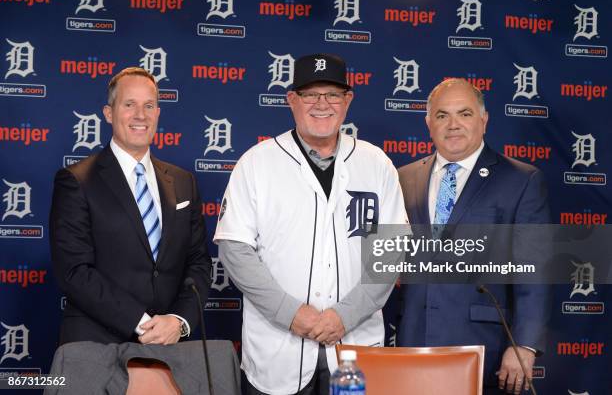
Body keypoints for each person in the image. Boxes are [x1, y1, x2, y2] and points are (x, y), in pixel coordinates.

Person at [214, 53, 407, 395]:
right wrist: (290, 313)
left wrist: (344, 316)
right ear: (292, 100)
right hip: (277, 346)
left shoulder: (376, 163)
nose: (322, 104)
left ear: (347, 100)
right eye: (310, 94)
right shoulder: (257, 162)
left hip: (356, 344)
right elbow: (235, 249)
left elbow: (391, 252)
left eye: (332, 94)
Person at [397, 78, 550, 394]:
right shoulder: (403, 177)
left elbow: (534, 270)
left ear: (483, 120)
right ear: (428, 123)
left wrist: (524, 344)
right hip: (412, 344)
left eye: (464, 114)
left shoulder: (521, 180)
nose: (453, 125)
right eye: (442, 115)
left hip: (484, 349)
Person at [50, 67, 211, 346]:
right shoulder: (76, 181)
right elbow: (75, 271)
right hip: (98, 345)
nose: (141, 115)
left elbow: (198, 262)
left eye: (149, 105)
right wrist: (142, 324)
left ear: (158, 113)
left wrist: (178, 321)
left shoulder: (184, 182)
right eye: (129, 105)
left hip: (170, 345)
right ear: (109, 113)